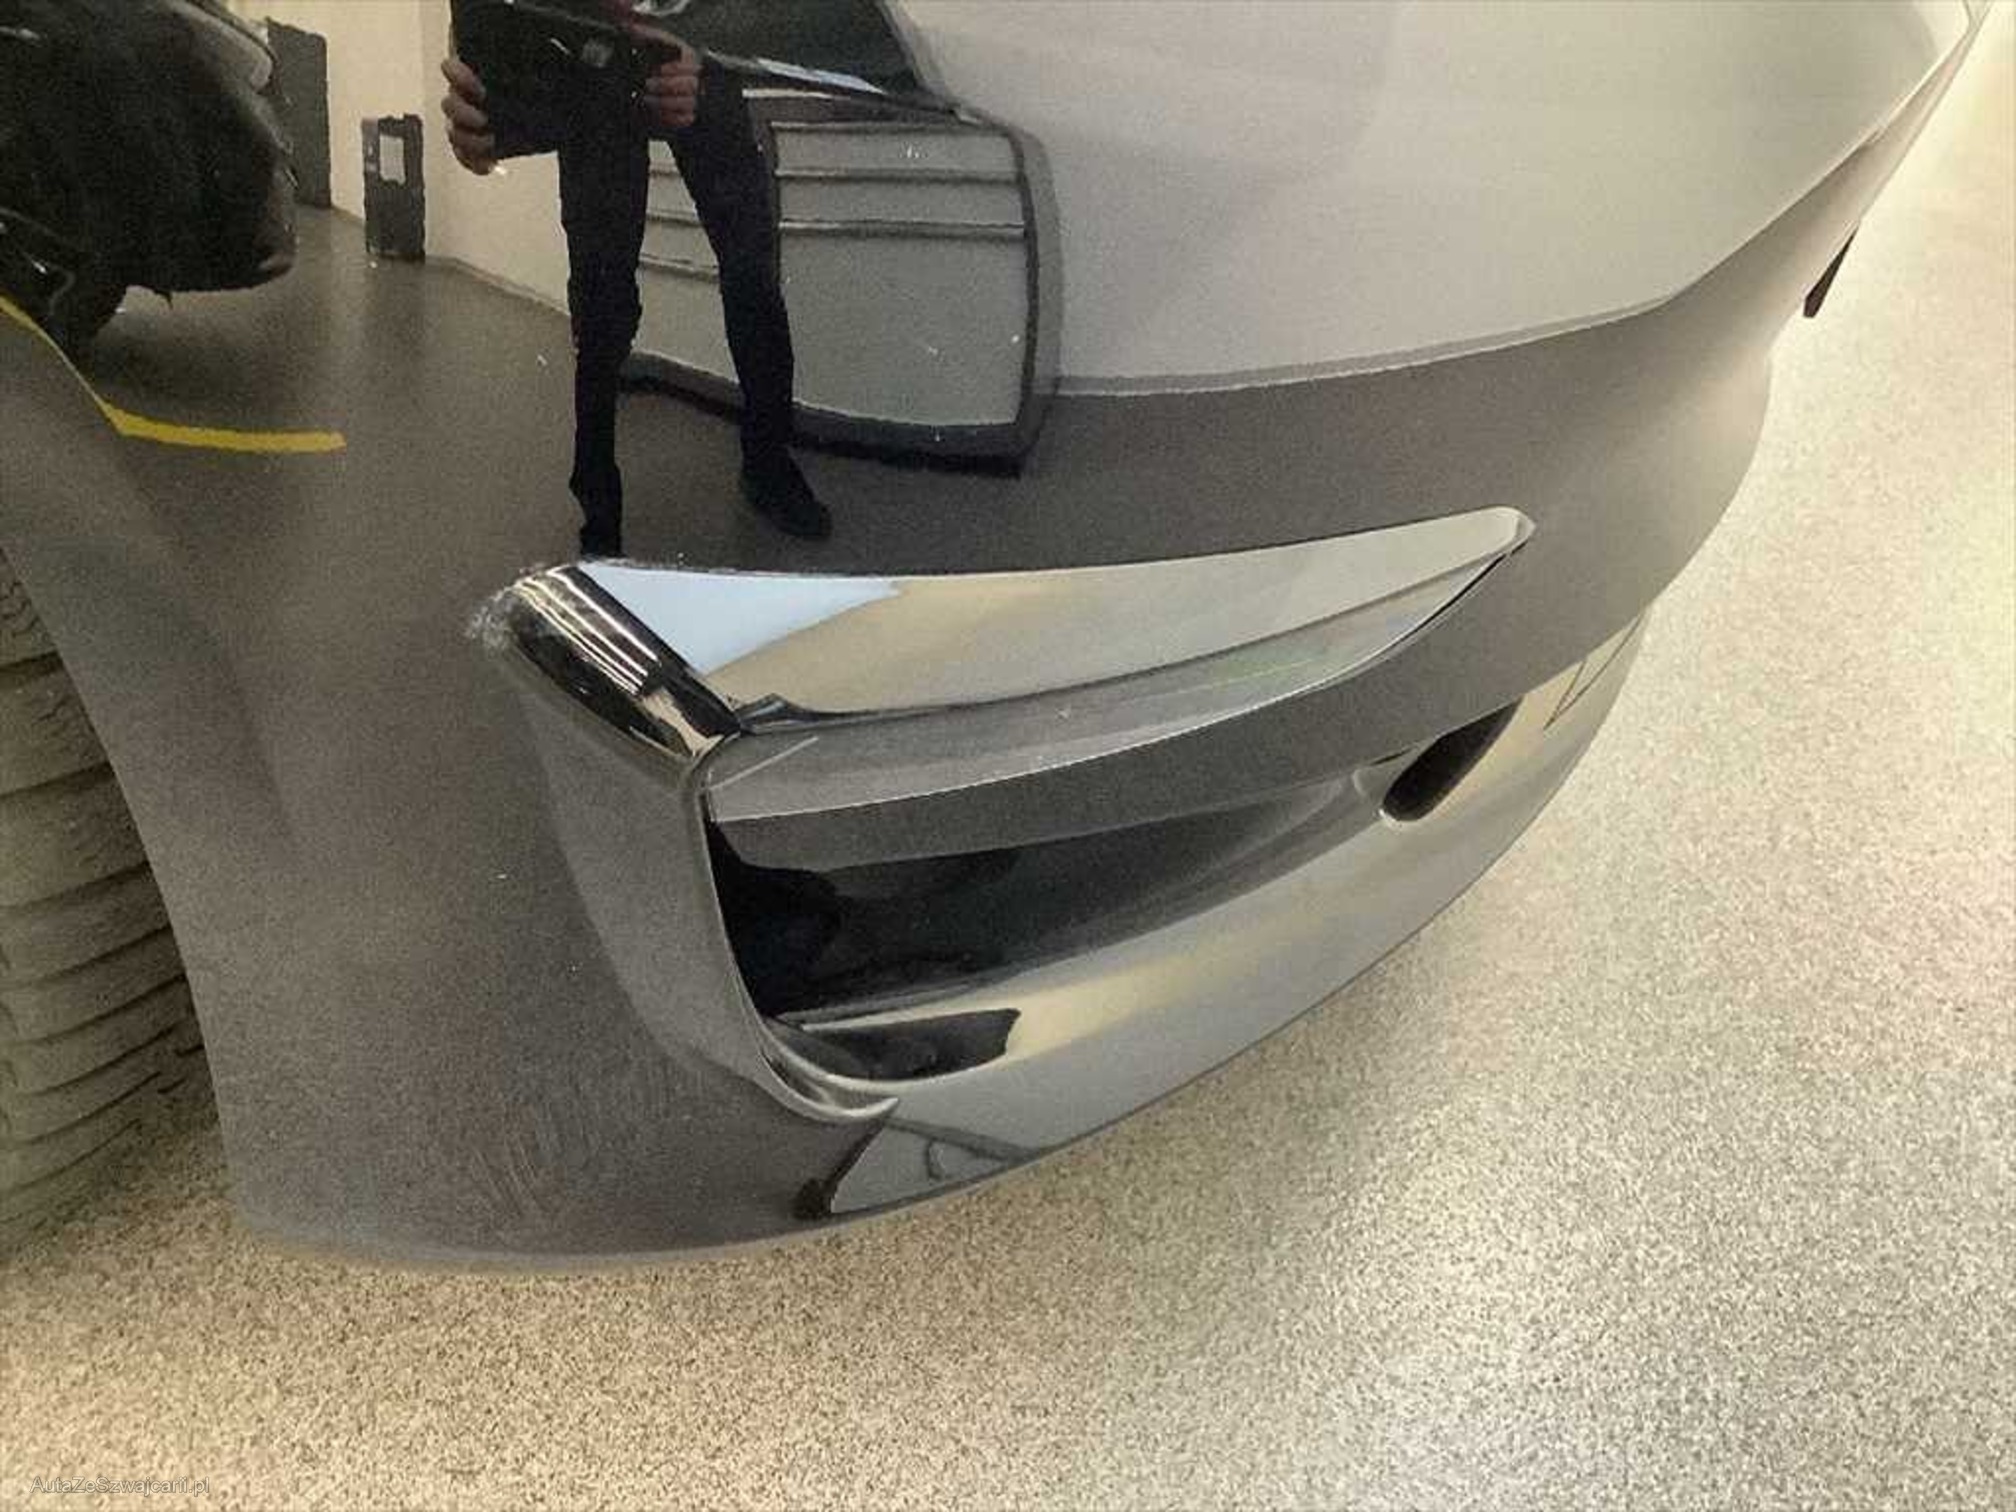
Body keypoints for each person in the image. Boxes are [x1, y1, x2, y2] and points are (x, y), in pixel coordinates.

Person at [440, 2, 829, 554]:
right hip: (598, 78)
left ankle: (760, 464)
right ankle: (603, 505)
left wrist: (705, 55)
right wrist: (479, 81)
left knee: (746, 268)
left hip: (669, 68)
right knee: (604, 295)